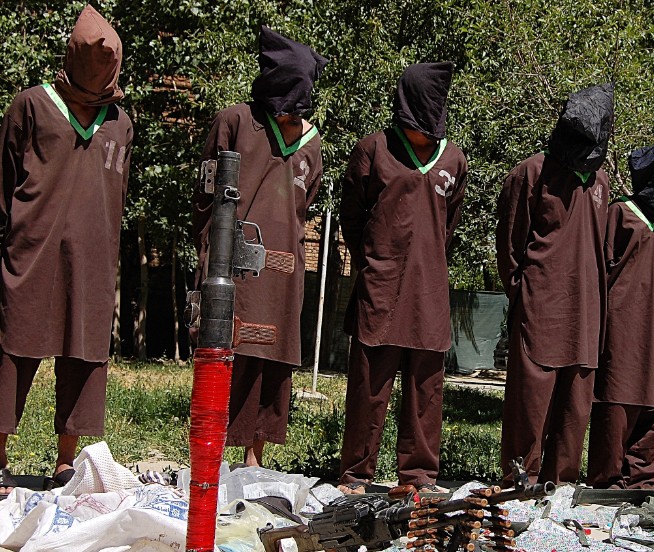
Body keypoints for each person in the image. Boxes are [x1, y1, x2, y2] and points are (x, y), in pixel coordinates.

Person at [0, 4, 132, 493]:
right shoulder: (30, 106)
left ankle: (66, 461)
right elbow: (5, 181)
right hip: (30, 251)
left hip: (93, 258)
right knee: (13, 351)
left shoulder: (119, 122)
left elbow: (116, 198)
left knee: (84, 356)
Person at [192, 26, 326, 468]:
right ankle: (217, 453)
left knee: (275, 360)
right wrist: (210, 250)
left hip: (284, 265)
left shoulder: (312, 144)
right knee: (234, 352)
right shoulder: (235, 121)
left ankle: (256, 457)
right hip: (234, 262)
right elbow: (206, 194)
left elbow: (304, 205)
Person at [338, 62, 467, 494]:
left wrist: (426, 262)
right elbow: (351, 217)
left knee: (425, 393)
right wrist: (374, 261)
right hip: (381, 287)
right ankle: (356, 473)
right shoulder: (374, 150)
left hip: (429, 293)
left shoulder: (453, 158)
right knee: (369, 389)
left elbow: (448, 225)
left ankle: (419, 476)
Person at [495, 84, 614, 485]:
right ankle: (519, 480)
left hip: (586, 312)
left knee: (574, 409)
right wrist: (527, 295)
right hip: (540, 309)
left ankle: (559, 484)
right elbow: (511, 248)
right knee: (530, 405)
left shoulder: (602, 183)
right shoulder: (531, 173)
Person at [587, 140, 654, 489]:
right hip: (622, 334)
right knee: (616, 407)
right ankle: (607, 485)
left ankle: (642, 483)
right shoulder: (620, 215)